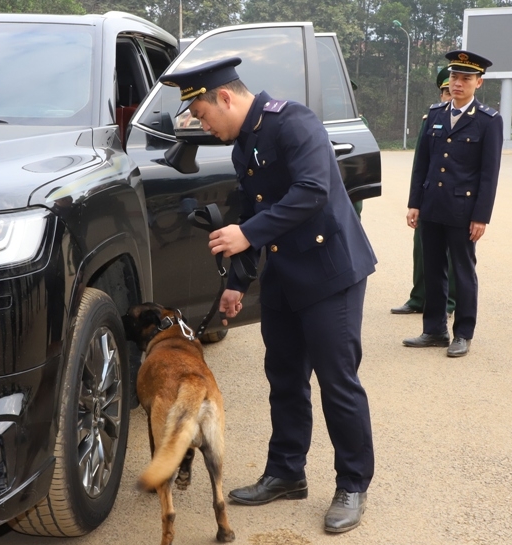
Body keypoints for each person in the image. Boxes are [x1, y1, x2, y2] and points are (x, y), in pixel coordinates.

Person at [160, 57, 377, 534]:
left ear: (225, 97)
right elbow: (251, 212)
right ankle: (286, 472)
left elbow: (312, 190)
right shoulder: (243, 146)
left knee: (337, 381)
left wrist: (247, 233)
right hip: (284, 273)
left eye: (201, 114)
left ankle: (353, 484)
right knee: (283, 376)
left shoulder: (293, 122)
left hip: (329, 271)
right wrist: (238, 283)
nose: (202, 124)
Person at [403, 50, 503, 357]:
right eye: (455, 77)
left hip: (463, 210)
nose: (458, 84)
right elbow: (422, 163)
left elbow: (489, 174)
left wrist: (481, 217)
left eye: (466, 79)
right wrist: (415, 203)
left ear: (479, 83)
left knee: (462, 270)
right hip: (432, 205)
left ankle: (463, 333)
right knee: (433, 269)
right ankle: (434, 330)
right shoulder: (435, 114)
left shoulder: (488, 121)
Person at [391, 67, 457, 316]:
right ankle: (419, 298)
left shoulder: (478, 121)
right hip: (430, 197)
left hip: (456, 199)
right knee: (421, 249)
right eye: (446, 92)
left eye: (452, 92)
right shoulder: (431, 119)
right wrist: (414, 202)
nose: (449, 97)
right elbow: (420, 165)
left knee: (451, 253)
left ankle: (449, 301)